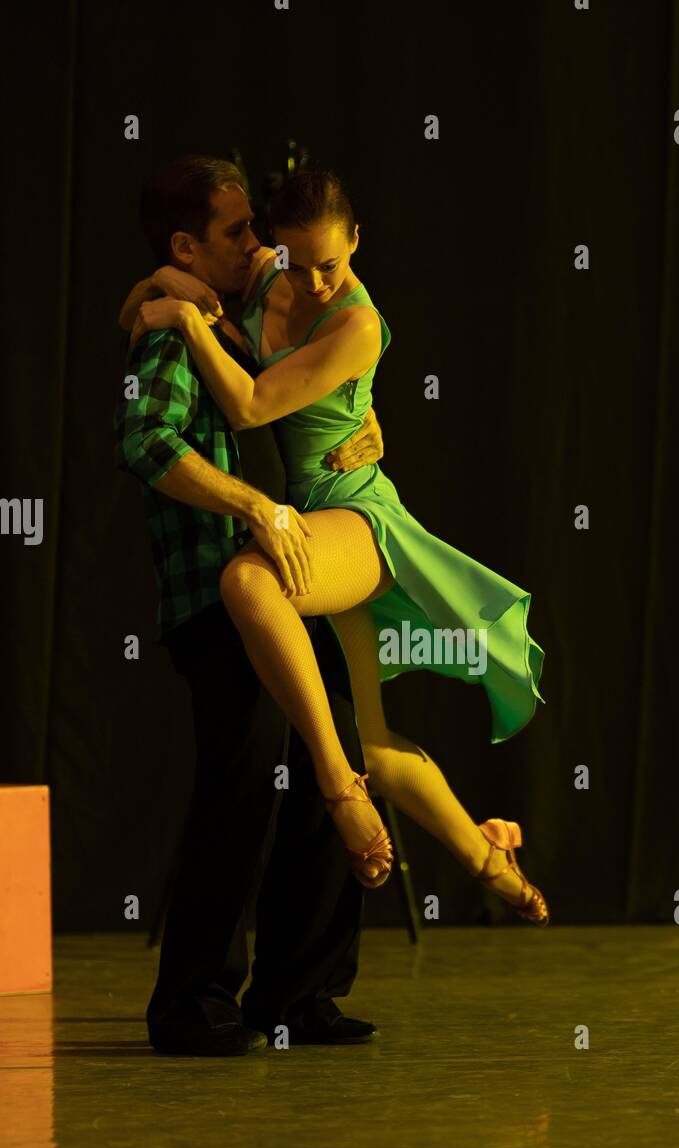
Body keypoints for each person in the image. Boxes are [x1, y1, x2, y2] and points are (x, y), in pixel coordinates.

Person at [126, 166, 549, 924]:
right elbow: (133, 307)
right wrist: (164, 278)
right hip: (306, 520)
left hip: (354, 517)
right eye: (298, 262)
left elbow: (252, 405)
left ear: (356, 240)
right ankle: (492, 863)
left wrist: (189, 322)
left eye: (334, 262)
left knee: (248, 584)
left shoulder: (356, 324)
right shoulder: (265, 275)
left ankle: (334, 787)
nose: (318, 281)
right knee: (377, 744)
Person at [115, 155, 387, 1055]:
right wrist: (255, 507)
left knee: (330, 757)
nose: (259, 244)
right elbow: (146, 442)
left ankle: (298, 993)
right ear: (189, 242)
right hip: (217, 595)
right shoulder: (171, 338)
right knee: (242, 782)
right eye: (238, 231)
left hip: (279, 590)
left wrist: (360, 421)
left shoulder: (232, 314)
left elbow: (336, 316)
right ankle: (192, 1001)